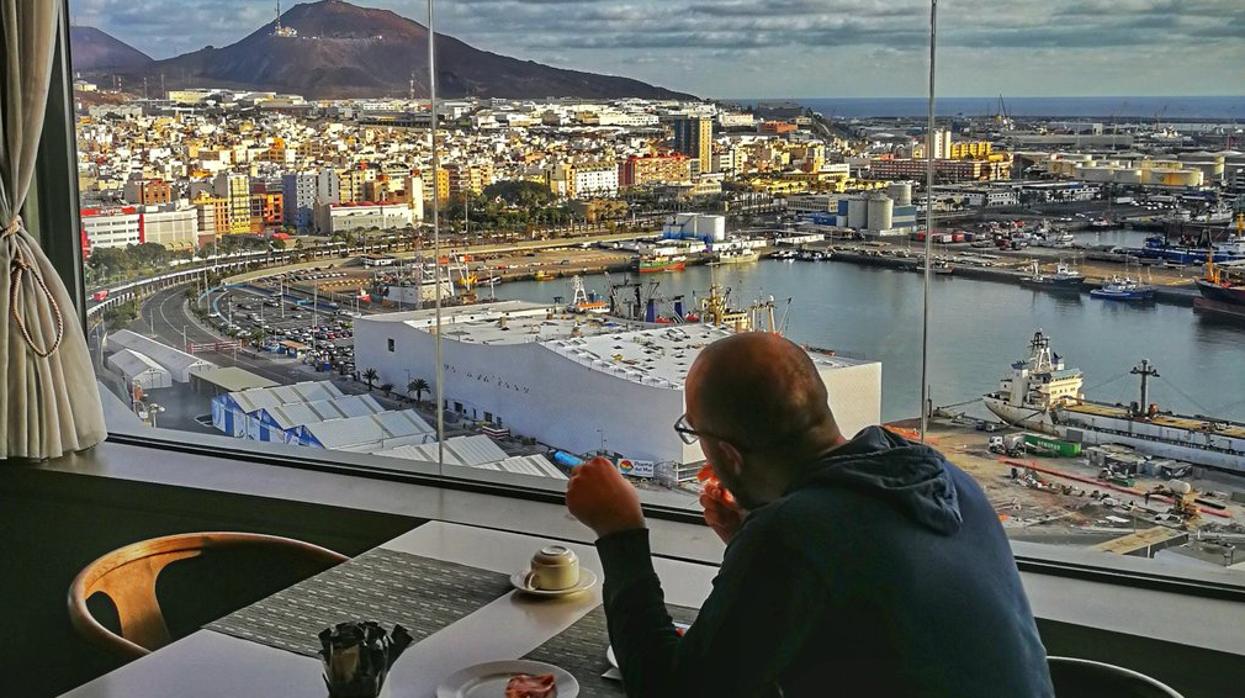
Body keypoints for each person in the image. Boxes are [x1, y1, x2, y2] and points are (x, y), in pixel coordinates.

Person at [566, 333, 1053, 697]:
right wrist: (746, 539)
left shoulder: (792, 536)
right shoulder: (941, 478)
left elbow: (669, 690)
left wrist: (620, 533)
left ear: (729, 456)